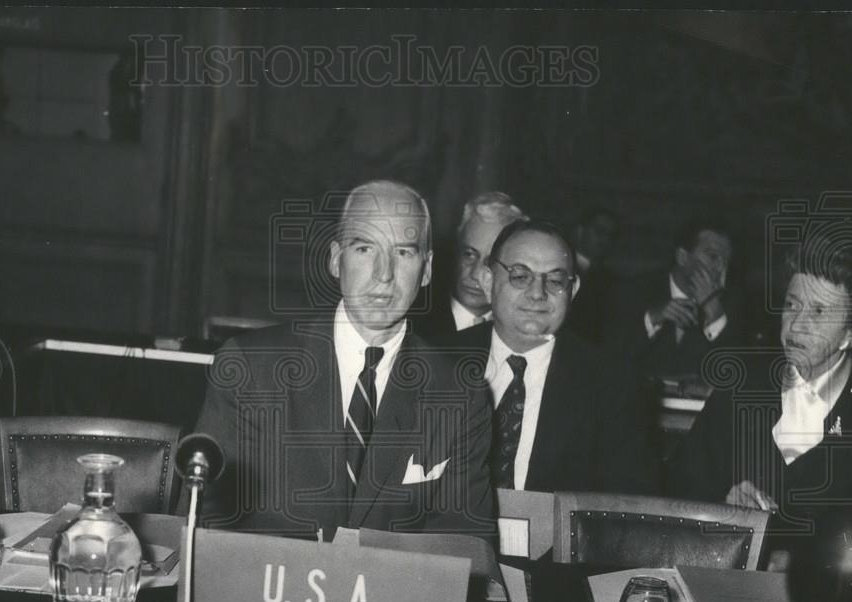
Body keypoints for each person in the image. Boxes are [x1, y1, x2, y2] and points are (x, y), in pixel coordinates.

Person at [194, 180, 496, 542]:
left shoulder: (461, 394)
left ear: (428, 269)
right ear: (336, 259)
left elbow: (465, 547)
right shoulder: (251, 369)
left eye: (403, 253)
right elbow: (205, 527)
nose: (384, 275)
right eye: (365, 248)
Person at [668, 238, 852, 565]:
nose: (796, 325)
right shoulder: (740, 390)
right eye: (792, 304)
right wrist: (723, 507)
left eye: (820, 311)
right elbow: (678, 491)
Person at [449, 219, 658, 494]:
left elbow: (627, 508)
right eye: (520, 276)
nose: (538, 293)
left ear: (573, 290)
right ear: (488, 281)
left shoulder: (612, 385)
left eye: (556, 281)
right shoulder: (437, 361)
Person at [605, 216, 744, 380]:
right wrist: (652, 320)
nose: (720, 268)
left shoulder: (731, 303)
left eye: (725, 261)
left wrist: (715, 316)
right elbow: (609, 360)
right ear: (682, 257)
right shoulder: (635, 290)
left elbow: (736, 376)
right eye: (713, 257)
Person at [413, 191, 526, 338]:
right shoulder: (414, 321)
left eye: (490, 262)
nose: (475, 274)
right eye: (469, 255)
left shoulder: (522, 329)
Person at [566, 207, 619, 342]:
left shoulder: (611, 280)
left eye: (610, 235)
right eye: (599, 231)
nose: (604, 240)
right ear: (580, 231)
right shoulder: (561, 267)